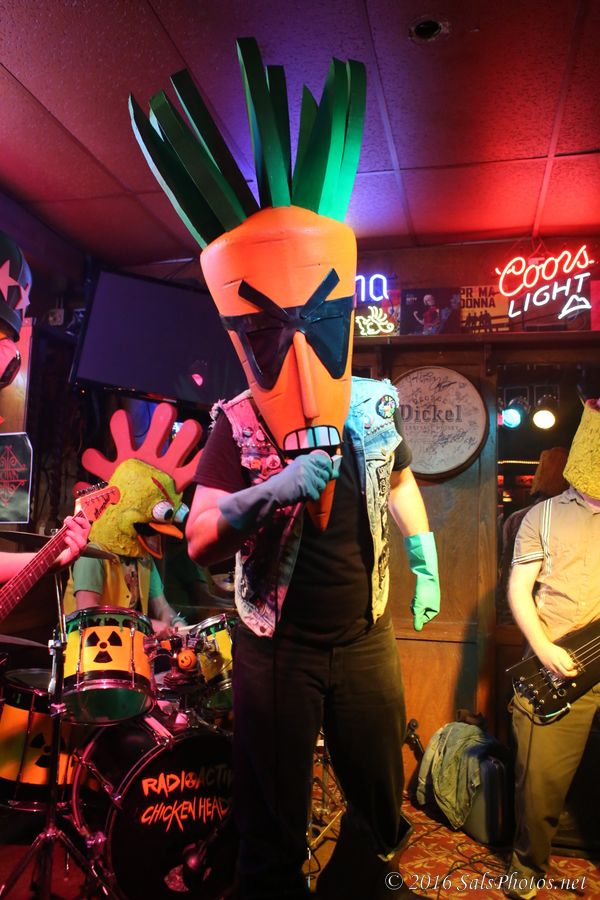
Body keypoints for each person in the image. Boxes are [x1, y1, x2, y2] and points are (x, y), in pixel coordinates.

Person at [504, 399, 600, 900]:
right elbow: (519, 590)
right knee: (539, 783)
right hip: (562, 664)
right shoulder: (541, 516)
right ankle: (527, 868)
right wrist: (542, 648)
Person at [63, 403, 202, 640]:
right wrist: (149, 624)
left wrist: (177, 624)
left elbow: (162, 607)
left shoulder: (144, 559)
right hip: (90, 654)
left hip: (131, 652)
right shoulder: (92, 557)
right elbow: (88, 615)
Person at [496, 447, 568, 626]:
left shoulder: (515, 518)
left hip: (517, 608)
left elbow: (505, 565)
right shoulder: (568, 518)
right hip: (551, 610)